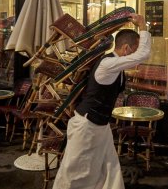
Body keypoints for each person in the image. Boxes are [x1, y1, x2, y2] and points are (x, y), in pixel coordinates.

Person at [52, 14, 151, 189]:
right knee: (75, 173)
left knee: (108, 168)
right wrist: (142, 25)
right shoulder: (108, 64)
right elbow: (143, 54)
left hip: (100, 125)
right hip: (87, 125)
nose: (134, 57)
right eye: (133, 51)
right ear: (126, 48)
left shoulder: (115, 65)